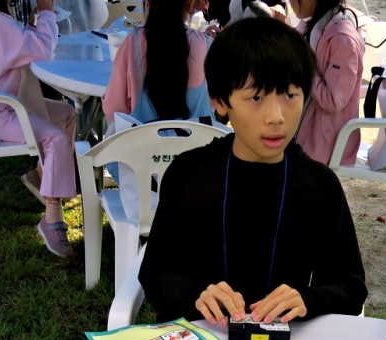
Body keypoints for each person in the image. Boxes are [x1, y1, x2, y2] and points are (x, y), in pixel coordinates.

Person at [139, 16, 367, 324]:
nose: (276, 117)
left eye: (290, 95)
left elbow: (350, 287)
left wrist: (306, 299)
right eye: (256, 98)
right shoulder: (189, 174)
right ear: (220, 101)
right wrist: (198, 295)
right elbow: (156, 275)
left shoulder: (318, 184)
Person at [0, 0, 78, 258]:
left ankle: (42, 174)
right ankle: (52, 218)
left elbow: (17, 48)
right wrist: (47, 12)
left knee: (67, 114)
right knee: (56, 139)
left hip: (3, 103)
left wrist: (33, 22)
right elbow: (43, 49)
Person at [103, 0, 215, 124]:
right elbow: (216, 101)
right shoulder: (206, 44)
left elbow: (113, 108)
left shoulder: (132, 42)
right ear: (189, 4)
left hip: (144, 141)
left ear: (148, 3)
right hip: (199, 141)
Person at [288, 0, 364, 165]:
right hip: (303, 131)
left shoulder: (343, 39)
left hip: (324, 143)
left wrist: (301, 65)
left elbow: (333, 100)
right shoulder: (311, 26)